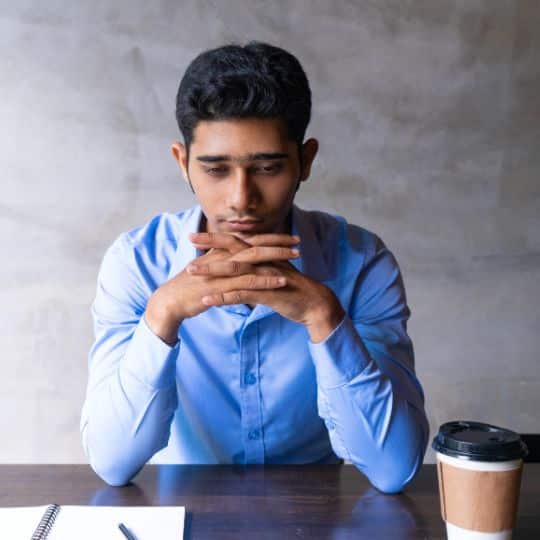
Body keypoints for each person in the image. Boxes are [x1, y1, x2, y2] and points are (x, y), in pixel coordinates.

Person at [80, 41, 429, 492]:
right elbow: (111, 463)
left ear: (305, 161)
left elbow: (393, 469)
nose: (241, 199)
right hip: (184, 519)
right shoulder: (135, 263)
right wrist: (161, 315)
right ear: (182, 163)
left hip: (316, 520)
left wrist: (325, 317)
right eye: (216, 170)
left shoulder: (362, 263)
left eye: (266, 167)